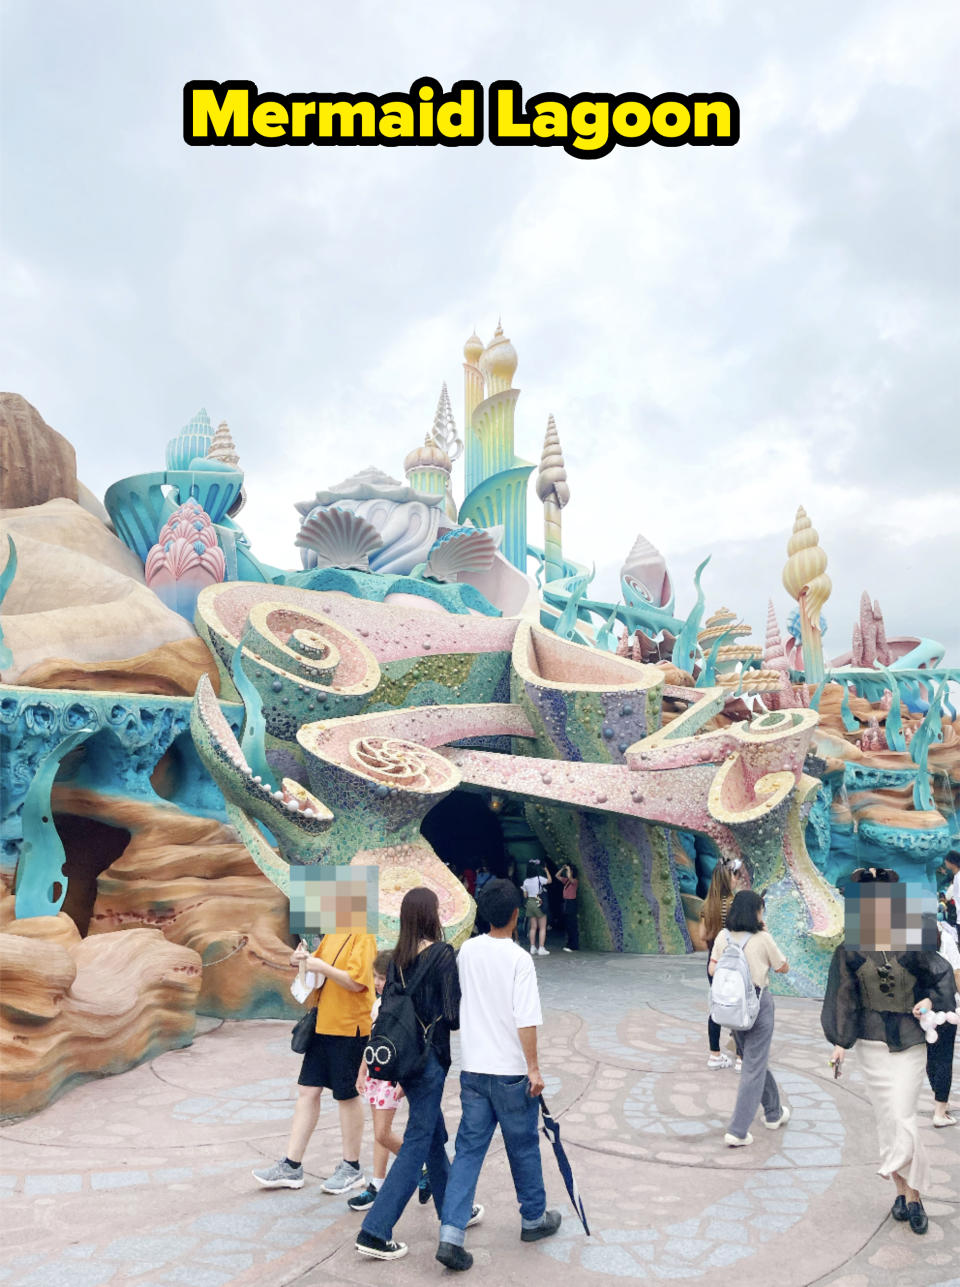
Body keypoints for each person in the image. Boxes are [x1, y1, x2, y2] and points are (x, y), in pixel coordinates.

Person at [821, 866, 956, 1235]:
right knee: (888, 1121)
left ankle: (915, 1195)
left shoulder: (914, 943)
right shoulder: (849, 950)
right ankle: (903, 1193)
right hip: (871, 1044)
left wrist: (928, 1003)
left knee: (903, 1116)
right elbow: (844, 998)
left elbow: (943, 979)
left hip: (910, 1042)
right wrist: (840, 1043)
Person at [436, 879, 562, 1272]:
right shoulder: (519, 959)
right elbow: (526, 1019)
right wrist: (534, 1067)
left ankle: (451, 1234)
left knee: (468, 1151)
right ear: (515, 915)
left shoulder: (467, 951)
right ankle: (533, 1219)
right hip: (509, 1072)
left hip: (473, 1068)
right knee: (522, 1147)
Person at [355, 887, 468, 1261]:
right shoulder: (442, 955)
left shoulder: (397, 960)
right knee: (420, 1139)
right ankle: (375, 1229)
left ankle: (454, 1211)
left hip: (404, 1060)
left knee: (432, 1135)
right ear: (432, 915)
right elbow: (451, 1016)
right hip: (431, 1059)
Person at [253, 919, 377, 1194]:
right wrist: (299, 959)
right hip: (323, 1024)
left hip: (350, 1027)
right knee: (307, 1090)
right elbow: (315, 975)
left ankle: (351, 1166)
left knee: (346, 1095)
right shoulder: (332, 933)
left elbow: (357, 982)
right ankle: (291, 1164)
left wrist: (321, 966)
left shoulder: (364, 936)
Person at [709, 889, 790, 1146]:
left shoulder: (723, 936)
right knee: (753, 1065)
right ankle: (738, 1130)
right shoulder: (762, 938)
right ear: (756, 912)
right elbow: (782, 967)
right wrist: (765, 935)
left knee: (755, 1059)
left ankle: (774, 1112)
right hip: (758, 1004)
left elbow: (712, 967)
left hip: (732, 1007)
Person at [347, 950, 407, 1212]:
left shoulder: (403, 1005)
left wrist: (403, 1078)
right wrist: (362, 1071)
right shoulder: (377, 1005)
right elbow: (373, 1042)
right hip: (375, 1072)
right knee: (379, 1133)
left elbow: (406, 1045)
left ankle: (420, 1166)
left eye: (382, 977)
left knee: (383, 1132)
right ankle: (377, 1184)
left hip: (392, 1076)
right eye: (375, 977)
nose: (378, 982)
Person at [700, 858, 749, 1068]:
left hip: (713, 962)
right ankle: (740, 1057)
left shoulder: (707, 905)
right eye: (736, 876)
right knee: (739, 1005)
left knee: (718, 1006)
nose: (738, 880)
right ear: (728, 878)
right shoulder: (735, 903)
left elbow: (703, 935)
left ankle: (714, 1054)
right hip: (735, 962)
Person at [927, 918, 960, 1127]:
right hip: (946, 1007)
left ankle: (941, 1103)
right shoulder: (945, 936)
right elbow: (957, 972)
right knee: (944, 1058)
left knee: (931, 1057)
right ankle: (940, 1110)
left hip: (925, 1011)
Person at [522, 859, 552, 956]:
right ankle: (541, 948)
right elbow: (550, 881)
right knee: (542, 927)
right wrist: (546, 870)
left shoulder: (525, 881)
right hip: (539, 901)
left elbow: (525, 896)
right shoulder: (539, 879)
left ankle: (532, 947)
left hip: (530, 902)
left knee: (533, 927)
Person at [557, 863, 580, 952]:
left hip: (571, 903)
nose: (567, 872)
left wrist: (569, 870)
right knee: (568, 925)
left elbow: (571, 878)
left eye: (569, 871)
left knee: (572, 925)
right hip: (566, 903)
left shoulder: (574, 881)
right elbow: (557, 876)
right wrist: (563, 868)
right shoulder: (566, 881)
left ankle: (573, 945)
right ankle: (569, 944)